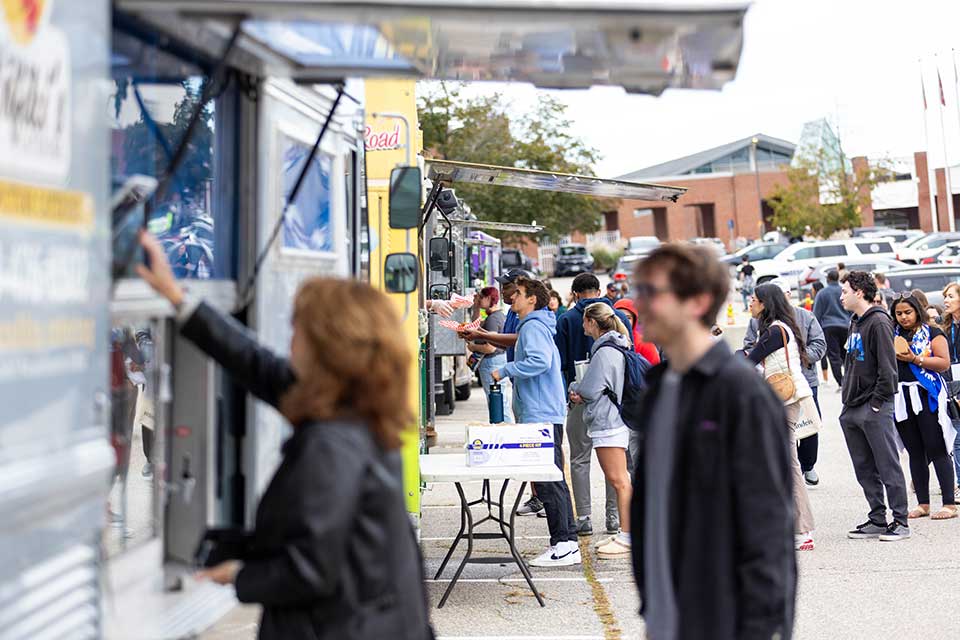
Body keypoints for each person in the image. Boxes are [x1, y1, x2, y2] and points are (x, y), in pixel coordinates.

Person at [136, 233, 432, 640]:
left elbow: (309, 569)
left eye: (298, 329)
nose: (290, 339)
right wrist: (177, 297)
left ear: (328, 347)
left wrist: (240, 575)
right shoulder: (359, 410)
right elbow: (258, 365)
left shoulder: (331, 444)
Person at [629, 244, 795, 640]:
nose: (640, 304)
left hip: (727, 622)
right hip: (668, 617)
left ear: (698, 301)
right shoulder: (660, 388)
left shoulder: (742, 394)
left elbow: (768, 531)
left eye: (652, 292)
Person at [492, 277, 580, 567]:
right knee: (552, 479)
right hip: (543, 410)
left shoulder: (531, 326)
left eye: (517, 294)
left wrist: (506, 369)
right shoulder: (536, 324)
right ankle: (566, 541)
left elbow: (539, 361)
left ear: (532, 299)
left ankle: (563, 544)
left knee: (547, 481)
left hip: (540, 412)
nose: (511, 298)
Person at [555, 273, 633, 536]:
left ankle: (585, 516)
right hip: (615, 400)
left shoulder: (566, 319)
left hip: (580, 397)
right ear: (599, 290)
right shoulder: (618, 318)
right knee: (616, 465)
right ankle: (613, 516)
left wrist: (569, 391)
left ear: (575, 293)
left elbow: (562, 362)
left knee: (579, 459)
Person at [838, 271, 911, 541]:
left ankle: (900, 521)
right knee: (864, 466)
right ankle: (877, 518)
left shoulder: (879, 322)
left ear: (859, 291)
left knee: (887, 464)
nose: (841, 296)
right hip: (853, 406)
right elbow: (851, 364)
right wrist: (847, 404)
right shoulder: (855, 322)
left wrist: (877, 404)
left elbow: (888, 369)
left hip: (874, 405)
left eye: (845, 291)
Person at [745, 284, 817, 551]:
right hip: (780, 401)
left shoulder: (775, 330)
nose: (750, 304)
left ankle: (803, 530)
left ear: (765, 303)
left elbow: (749, 359)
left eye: (753, 300)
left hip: (783, 401)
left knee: (789, 464)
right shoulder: (777, 328)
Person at [567, 303, 635, 558]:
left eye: (584, 322)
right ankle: (625, 534)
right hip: (613, 419)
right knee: (620, 480)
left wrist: (576, 385)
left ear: (592, 323)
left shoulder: (605, 351)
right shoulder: (616, 345)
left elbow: (590, 389)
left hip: (607, 422)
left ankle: (627, 536)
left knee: (619, 481)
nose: (582, 326)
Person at [743, 279, 827, 487]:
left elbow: (819, 343)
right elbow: (749, 346)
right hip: (773, 384)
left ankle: (808, 465)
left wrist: (802, 358)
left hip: (801, 379)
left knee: (807, 427)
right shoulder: (759, 322)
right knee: (786, 443)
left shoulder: (803, 317)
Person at [890, 293, 957, 519]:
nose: (903, 317)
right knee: (915, 451)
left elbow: (943, 362)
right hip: (902, 396)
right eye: (898, 313)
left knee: (937, 447)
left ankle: (949, 503)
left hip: (927, 394)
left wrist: (915, 359)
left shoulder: (933, 332)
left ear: (918, 310)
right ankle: (923, 503)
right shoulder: (893, 334)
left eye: (907, 312)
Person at [467, 286, 515, 423]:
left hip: (492, 362)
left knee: (496, 401)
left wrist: (473, 346)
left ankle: (504, 429)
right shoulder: (494, 316)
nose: (479, 299)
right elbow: (474, 326)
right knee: (498, 400)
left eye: (481, 297)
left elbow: (490, 347)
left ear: (489, 298)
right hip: (496, 360)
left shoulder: (493, 319)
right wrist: (476, 307)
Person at [813, 269, 850, 386]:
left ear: (828, 279)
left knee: (834, 357)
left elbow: (816, 314)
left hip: (828, 327)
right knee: (847, 355)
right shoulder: (843, 291)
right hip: (845, 326)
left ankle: (841, 382)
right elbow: (850, 309)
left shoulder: (822, 293)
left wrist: (815, 331)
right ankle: (849, 380)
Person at [940, 282, 960, 497]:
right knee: (957, 435)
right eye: (945, 296)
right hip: (951, 384)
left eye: (951, 296)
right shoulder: (943, 326)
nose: (946, 300)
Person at [613, 298, 661, 366]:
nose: (623, 321)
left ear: (634, 320)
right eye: (619, 316)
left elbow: (655, 371)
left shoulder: (645, 344)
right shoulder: (607, 340)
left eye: (628, 318)